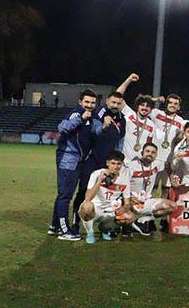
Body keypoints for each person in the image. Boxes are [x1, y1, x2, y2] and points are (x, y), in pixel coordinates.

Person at [70, 91, 127, 234]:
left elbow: (120, 141)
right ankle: (75, 222)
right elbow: (94, 133)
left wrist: (119, 159)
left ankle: (107, 225)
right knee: (84, 191)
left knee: (112, 192)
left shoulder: (122, 120)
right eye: (113, 102)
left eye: (118, 103)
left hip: (109, 163)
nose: (115, 105)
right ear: (107, 101)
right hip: (92, 160)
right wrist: (104, 126)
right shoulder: (98, 113)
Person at [50, 89, 98, 240]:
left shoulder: (91, 117)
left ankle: (54, 226)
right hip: (69, 160)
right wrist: (80, 119)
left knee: (67, 194)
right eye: (87, 102)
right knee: (65, 195)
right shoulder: (76, 114)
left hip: (79, 161)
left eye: (92, 103)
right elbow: (62, 128)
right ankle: (64, 231)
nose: (89, 105)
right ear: (80, 102)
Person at [77, 151, 137, 244]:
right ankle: (90, 232)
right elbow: (88, 198)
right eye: (113, 163)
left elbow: (127, 203)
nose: (115, 167)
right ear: (107, 163)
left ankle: (105, 229)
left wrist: (123, 209)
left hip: (110, 211)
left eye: (118, 164)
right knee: (86, 206)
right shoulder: (96, 174)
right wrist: (100, 180)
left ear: (122, 164)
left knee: (130, 217)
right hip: (95, 209)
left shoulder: (124, 179)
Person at [126, 143, 166, 235]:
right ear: (142, 152)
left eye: (153, 152)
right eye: (147, 151)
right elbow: (122, 184)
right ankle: (128, 222)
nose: (150, 154)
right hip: (132, 201)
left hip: (146, 201)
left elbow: (171, 166)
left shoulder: (157, 164)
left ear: (156, 155)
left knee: (171, 206)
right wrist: (129, 197)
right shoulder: (131, 166)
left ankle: (142, 220)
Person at [149, 94, 186, 195]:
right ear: (166, 104)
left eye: (175, 104)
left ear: (179, 107)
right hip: (153, 157)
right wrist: (156, 99)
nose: (172, 105)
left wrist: (181, 135)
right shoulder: (156, 113)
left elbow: (179, 141)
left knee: (165, 189)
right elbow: (143, 102)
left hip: (168, 159)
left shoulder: (181, 121)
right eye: (170, 102)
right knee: (150, 187)